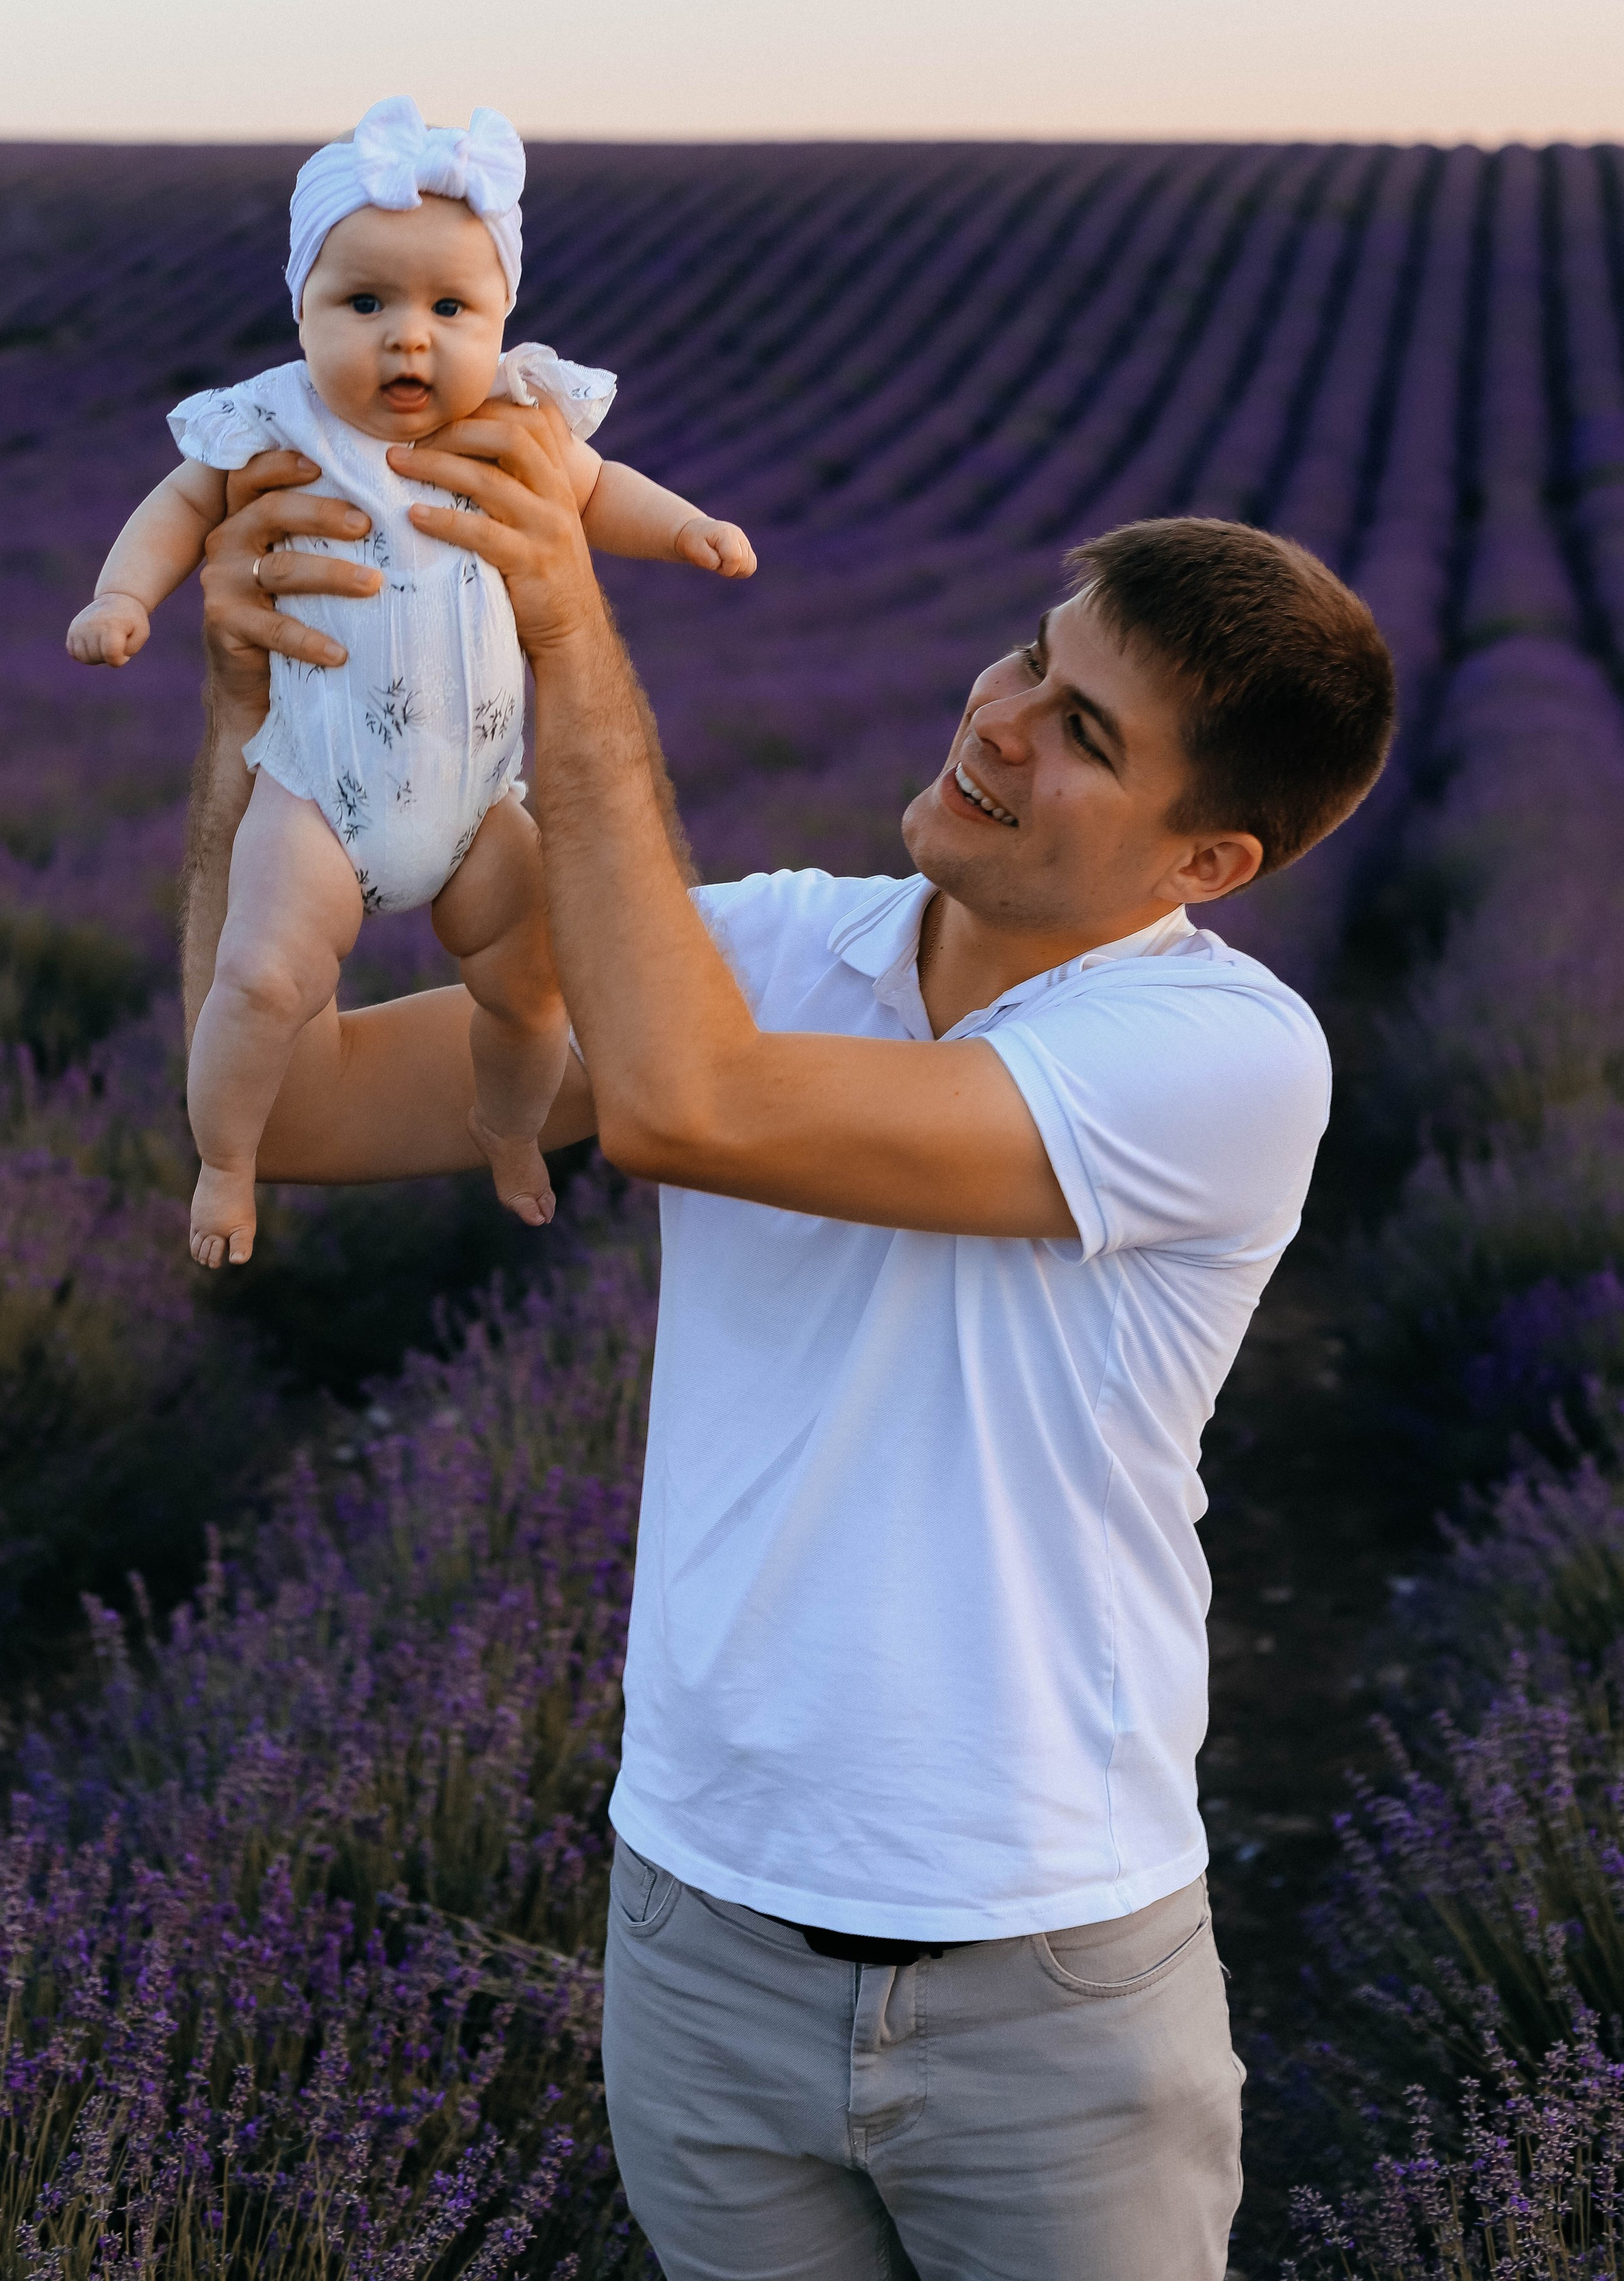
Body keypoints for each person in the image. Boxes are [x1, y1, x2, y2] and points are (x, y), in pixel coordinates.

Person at [183, 407, 1396, 2281]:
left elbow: (696, 1111)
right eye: (1027, 663)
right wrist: (262, 728)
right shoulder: (770, 950)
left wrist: (570, 636)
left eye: (1085, 735)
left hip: (1042, 1986)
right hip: (701, 1939)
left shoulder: (1225, 1061)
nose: (999, 721)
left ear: (1210, 860)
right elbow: (304, 1111)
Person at [68, 94, 753, 1263]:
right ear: (301, 311)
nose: (409, 339)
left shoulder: (515, 416)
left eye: (450, 308)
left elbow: (600, 491)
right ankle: (228, 1165)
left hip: (480, 802)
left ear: (502, 319)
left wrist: (687, 528)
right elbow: (177, 507)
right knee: (259, 978)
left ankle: (507, 1123)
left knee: (532, 990)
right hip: (319, 795)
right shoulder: (275, 419)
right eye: (365, 303)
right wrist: (123, 598)